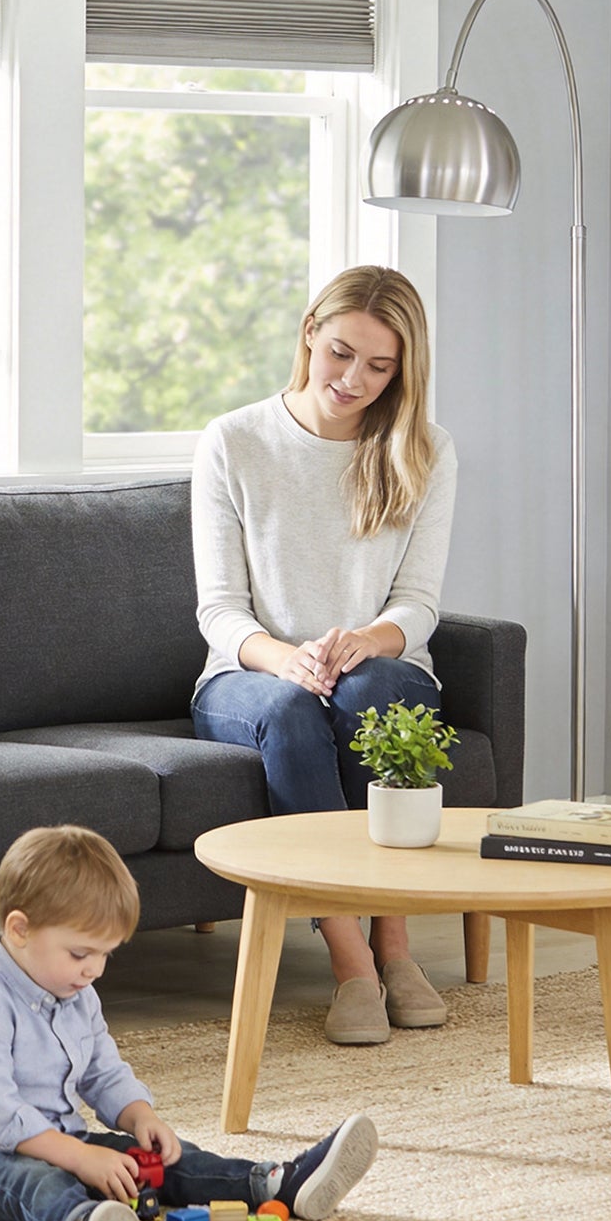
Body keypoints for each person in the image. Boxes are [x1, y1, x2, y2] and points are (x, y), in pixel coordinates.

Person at [190, 264, 460, 1047]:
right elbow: (220, 612)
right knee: (291, 711)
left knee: (378, 696)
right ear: (310, 333)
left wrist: (366, 640)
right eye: (341, 353)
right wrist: (285, 659)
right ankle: (353, 963)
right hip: (249, 676)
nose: (354, 380)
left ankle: (398, 946)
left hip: (373, 664)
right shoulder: (235, 441)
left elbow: (419, 603)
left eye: (380, 367)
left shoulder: (425, 451)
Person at [0, 826, 379, 1221]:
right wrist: (81, 1158)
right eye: (81, 954)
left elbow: (103, 1072)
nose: (94, 969)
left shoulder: (77, 994)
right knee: (37, 1182)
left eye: (106, 954)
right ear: (20, 929)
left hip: (62, 1139)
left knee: (155, 1161)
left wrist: (141, 1117)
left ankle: (275, 1182)